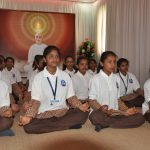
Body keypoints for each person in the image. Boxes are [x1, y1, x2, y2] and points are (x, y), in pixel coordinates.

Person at [19, 45, 89, 134]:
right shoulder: (38, 78)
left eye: (56, 56)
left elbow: (71, 97)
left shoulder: (65, 76)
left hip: (62, 113)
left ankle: (55, 125)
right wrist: (29, 116)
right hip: (44, 114)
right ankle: (66, 125)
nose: (54, 59)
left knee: (83, 113)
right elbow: (35, 101)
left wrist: (80, 106)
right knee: (29, 126)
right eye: (51, 56)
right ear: (45, 59)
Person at [88, 51, 145, 132]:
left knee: (140, 117)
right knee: (95, 117)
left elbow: (118, 100)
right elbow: (91, 101)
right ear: (101, 63)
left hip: (115, 113)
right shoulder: (95, 79)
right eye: (109, 62)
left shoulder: (116, 78)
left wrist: (126, 110)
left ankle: (106, 124)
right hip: (101, 112)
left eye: (114, 62)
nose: (113, 65)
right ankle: (109, 122)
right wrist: (101, 108)